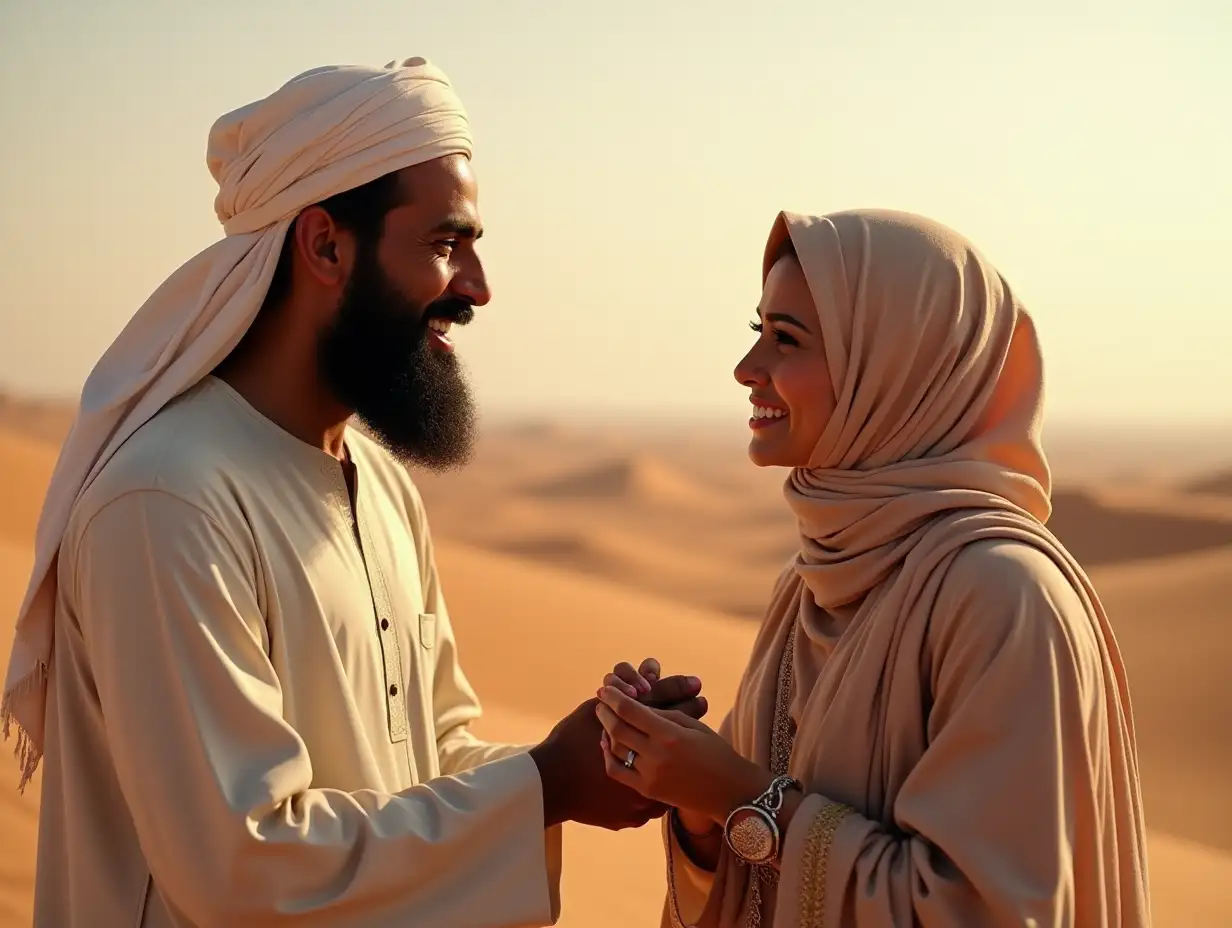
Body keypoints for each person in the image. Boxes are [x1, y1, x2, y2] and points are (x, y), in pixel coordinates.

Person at [0, 58, 707, 928]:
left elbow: (430, 760)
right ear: (326, 245)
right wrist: (544, 784)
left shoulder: (379, 487)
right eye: (447, 246)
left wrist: (588, 757)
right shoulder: (169, 499)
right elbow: (243, 863)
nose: (479, 289)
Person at [595, 210, 1151, 927]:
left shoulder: (1002, 595)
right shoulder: (811, 581)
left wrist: (740, 794)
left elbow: (987, 910)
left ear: (897, 367)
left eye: (785, 339)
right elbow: (752, 866)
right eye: (755, 330)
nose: (746, 369)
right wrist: (694, 797)